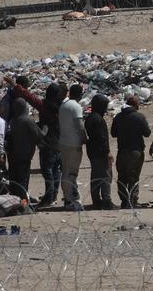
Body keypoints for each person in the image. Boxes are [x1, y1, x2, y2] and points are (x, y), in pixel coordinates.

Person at [111, 94, 151, 209]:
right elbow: (147, 133)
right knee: (133, 177)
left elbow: (113, 133)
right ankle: (132, 200)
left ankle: (124, 201)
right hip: (135, 151)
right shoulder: (139, 117)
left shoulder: (118, 117)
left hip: (122, 151)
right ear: (134, 105)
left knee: (122, 177)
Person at [57, 83, 88, 211]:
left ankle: (68, 197)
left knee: (66, 171)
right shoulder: (76, 106)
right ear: (80, 94)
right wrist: (84, 139)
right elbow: (79, 126)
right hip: (73, 144)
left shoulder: (63, 105)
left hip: (63, 142)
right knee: (72, 173)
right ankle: (70, 200)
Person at [36, 83, 67, 207]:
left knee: (48, 171)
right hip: (59, 143)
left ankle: (49, 197)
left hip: (48, 144)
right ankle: (53, 196)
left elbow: (31, 98)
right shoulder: (62, 107)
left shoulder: (45, 106)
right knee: (55, 171)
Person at [4, 100, 42, 201]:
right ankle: (23, 201)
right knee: (23, 179)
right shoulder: (27, 120)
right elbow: (38, 135)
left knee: (14, 179)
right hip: (24, 154)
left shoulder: (13, 121)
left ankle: (15, 199)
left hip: (12, 155)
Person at [84, 94, 113, 210]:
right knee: (105, 176)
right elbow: (102, 139)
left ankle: (96, 200)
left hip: (92, 151)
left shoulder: (90, 118)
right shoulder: (98, 120)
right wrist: (107, 152)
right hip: (100, 152)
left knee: (96, 176)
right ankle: (106, 201)